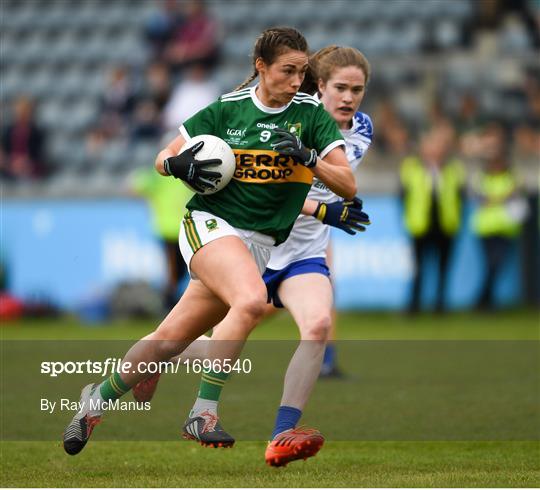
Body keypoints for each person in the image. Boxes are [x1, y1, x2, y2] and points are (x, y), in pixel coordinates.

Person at [62, 27, 357, 461]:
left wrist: (309, 159)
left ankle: (95, 401)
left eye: (301, 72)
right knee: (253, 301)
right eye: (287, 71)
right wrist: (178, 163)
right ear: (261, 67)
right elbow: (162, 158)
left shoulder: (311, 117)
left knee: (169, 342)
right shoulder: (227, 110)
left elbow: (348, 184)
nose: (297, 81)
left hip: (255, 246)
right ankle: (203, 412)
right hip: (209, 224)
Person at [132, 45, 373, 467]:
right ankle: (162, 358)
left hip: (303, 255)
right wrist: (320, 207)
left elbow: (335, 181)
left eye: (358, 89)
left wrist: (322, 190)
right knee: (222, 333)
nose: (349, 98)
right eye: (340, 88)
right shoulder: (291, 117)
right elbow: (266, 191)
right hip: (255, 246)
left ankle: (282, 434)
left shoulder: (361, 129)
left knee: (317, 325)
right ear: (319, 86)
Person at [400, 125, 466, 313]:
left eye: (439, 146)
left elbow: (460, 197)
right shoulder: (411, 168)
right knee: (418, 269)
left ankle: (440, 305)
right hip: (420, 225)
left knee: (443, 268)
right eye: (432, 146)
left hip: (446, 224)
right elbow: (403, 196)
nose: (435, 150)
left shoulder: (454, 170)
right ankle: (414, 305)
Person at [472, 124, 526, 310]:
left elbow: (517, 194)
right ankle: (484, 300)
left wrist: (495, 199)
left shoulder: (512, 175)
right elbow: (482, 198)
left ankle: (484, 300)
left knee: (496, 265)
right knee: (492, 264)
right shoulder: (483, 176)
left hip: (505, 227)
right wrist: (501, 197)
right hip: (486, 227)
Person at [131, 166, 193, 310]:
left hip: (172, 228)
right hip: (174, 229)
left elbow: (135, 187)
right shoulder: (187, 172)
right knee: (177, 271)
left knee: (178, 271)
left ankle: (170, 304)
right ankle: (168, 304)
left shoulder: (159, 175)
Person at [0, 96, 48, 181]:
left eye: (25, 110)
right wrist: (11, 163)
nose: (21, 113)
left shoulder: (37, 132)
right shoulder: (8, 131)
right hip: (10, 167)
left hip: (31, 166)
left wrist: (26, 162)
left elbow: (39, 153)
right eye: (19, 110)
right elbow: (4, 152)